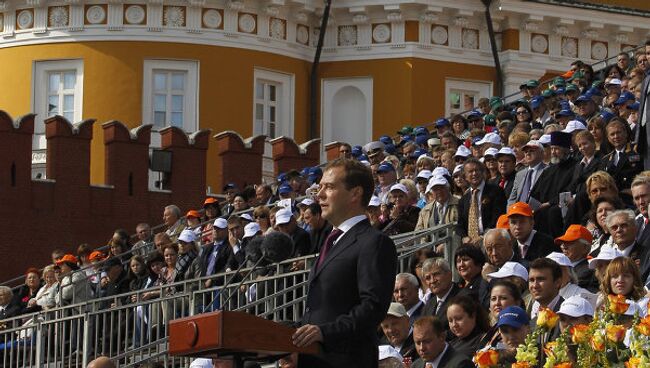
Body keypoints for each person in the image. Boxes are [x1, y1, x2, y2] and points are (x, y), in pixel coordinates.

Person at [293, 158, 397, 368]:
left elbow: (372, 307)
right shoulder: (330, 241)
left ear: (355, 193)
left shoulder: (374, 242)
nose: (320, 194)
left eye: (329, 187)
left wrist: (324, 332)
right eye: (320, 187)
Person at [456, 158, 506, 246]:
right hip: (470, 244)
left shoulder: (495, 191)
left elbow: (498, 216)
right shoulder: (463, 200)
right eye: (470, 171)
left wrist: (483, 236)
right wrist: (464, 237)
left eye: (477, 170)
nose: (474, 173)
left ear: (482, 172)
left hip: (491, 239)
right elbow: (460, 224)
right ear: (465, 176)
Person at [555, 225, 598, 292]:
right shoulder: (561, 267)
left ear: (585, 248)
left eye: (569, 242)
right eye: (562, 243)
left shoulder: (589, 270)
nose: (563, 246)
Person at [421, 258, 459, 331]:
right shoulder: (428, 305)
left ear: (449, 274)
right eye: (428, 278)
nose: (432, 281)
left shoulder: (463, 297)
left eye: (436, 274)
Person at [508, 140, 547, 207]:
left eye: (531, 151)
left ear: (541, 153)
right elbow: (512, 198)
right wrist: (510, 212)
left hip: (537, 211)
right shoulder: (520, 174)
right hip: (518, 211)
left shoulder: (548, 171)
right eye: (526, 151)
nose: (528, 153)